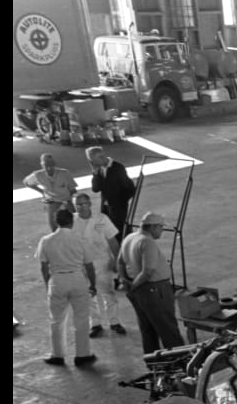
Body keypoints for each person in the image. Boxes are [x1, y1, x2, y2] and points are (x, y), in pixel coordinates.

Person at [35, 208, 97, 367]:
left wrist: (48, 284)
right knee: (81, 319)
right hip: (77, 279)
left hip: (57, 280)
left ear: (56, 222)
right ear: (72, 222)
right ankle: (82, 355)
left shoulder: (46, 240)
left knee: (56, 320)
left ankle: (58, 355)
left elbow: (43, 267)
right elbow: (89, 266)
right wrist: (93, 284)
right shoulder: (80, 240)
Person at [117, 212, 185, 354]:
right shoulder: (147, 242)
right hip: (155, 290)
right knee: (168, 328)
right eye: (160, 227)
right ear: (153, 227)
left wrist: (125, 281)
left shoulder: (129, 238)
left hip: (140, 290)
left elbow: (120, 262)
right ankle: (180, 360)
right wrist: (134, 287)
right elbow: (148, 271)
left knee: (147, 328)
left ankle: (152, 361)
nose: (161, 231)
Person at [72, 193, 125, 338]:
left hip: (102, 262)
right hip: (81, 264)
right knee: (88, 294)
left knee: (108, 292)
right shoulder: (72, 221)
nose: (81, 207)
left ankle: (114, 322)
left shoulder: (101, 219)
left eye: (84, 204)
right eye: (78, 205)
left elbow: (112, 241)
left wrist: (118, 260)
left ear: (90, 204)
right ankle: (95, 324)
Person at [87, 146, 136, 245]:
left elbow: (129, 188)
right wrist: (95, 174)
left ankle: (127, 248)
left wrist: (121, 202)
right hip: (106, 206)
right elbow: (95, 189)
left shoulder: (117, 168)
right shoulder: (99, 169)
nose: (93, 164)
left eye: (94, 161)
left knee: (120, 230)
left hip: (118, 206)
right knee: (109, 229)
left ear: (101, 157)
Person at [23, 153, 77, 231]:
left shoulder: (65, 173)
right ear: (42, 165)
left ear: (55, 164)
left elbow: (73, 190)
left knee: (74, 224)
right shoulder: (38, 175)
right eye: (46, 165)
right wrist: (42, 192)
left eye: (51, 164)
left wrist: (70, 201)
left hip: (66, 200)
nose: (49, 167)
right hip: (52, 202)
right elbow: (26, 182)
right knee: (54, 227)